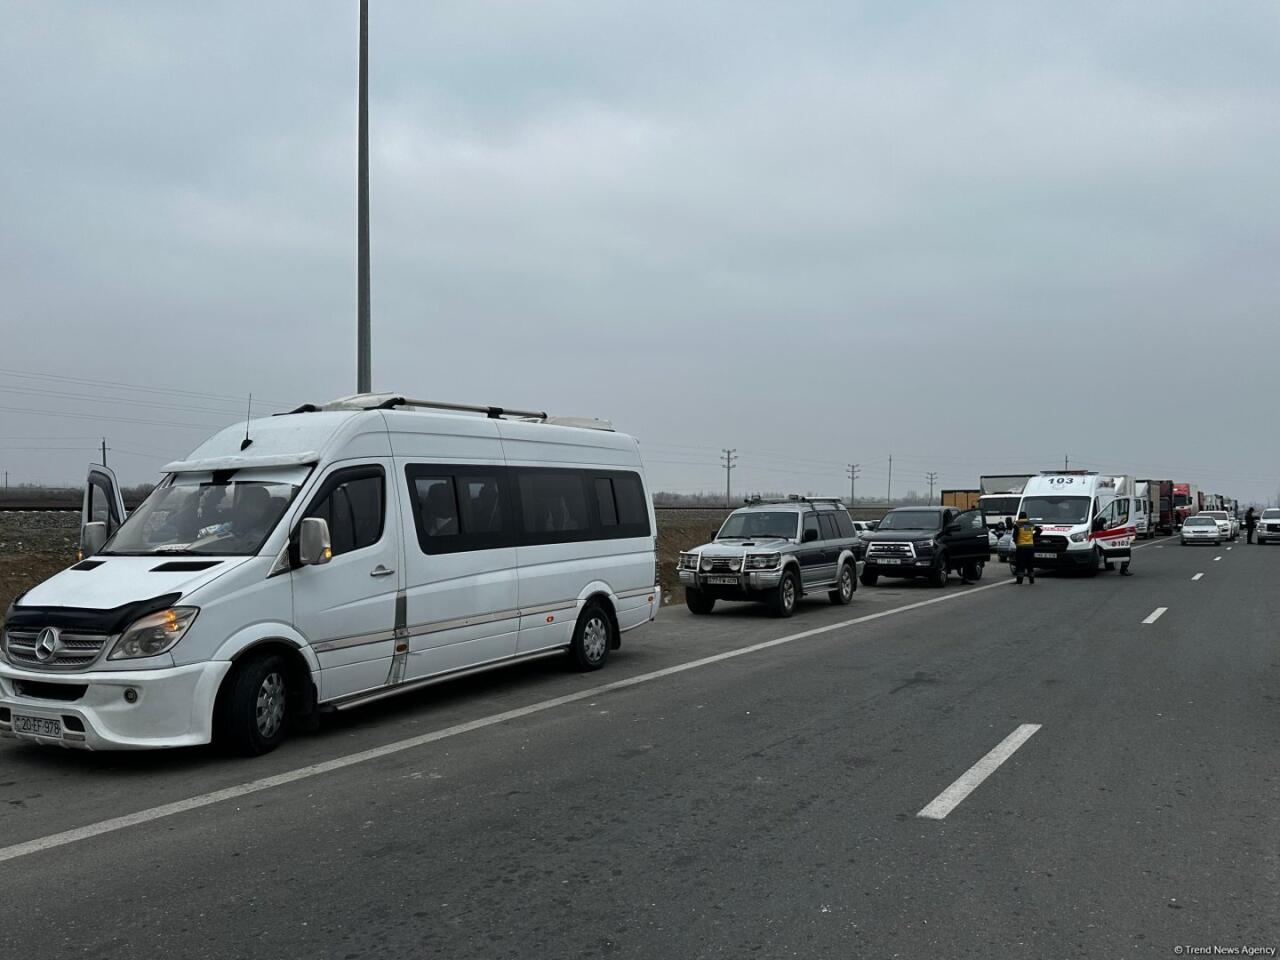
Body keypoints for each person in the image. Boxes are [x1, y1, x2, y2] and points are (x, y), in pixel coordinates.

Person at [1012, 511, 1040, 584]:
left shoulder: (1018, 524)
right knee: (1030, 564)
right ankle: (1031, 580)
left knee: (1020, 564)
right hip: (1030, 547)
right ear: (1026, 517)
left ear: (1020, 517)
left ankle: (1019, 580)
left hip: (1021, 547)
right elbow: (1039, 530)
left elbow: (1015, 536)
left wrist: (1015, 542)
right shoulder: (1030, 524)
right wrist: (1033, 538)